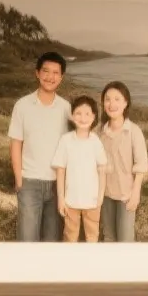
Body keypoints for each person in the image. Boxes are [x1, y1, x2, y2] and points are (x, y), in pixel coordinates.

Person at [7, 52, 72, 242]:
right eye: (45, 71)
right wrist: (19, 179)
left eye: (55, 73)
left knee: (52, 241)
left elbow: (75, 143)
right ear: (37, 73)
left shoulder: (66, 108)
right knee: (27, 239)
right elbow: (16, 143)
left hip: (57, 185)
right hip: (29, 183)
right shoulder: (22, 105)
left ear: (61, 77)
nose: (50, 77)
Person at [96, 81, 148, 243]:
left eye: (117, 99)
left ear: (126, 103)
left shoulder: (134, 131)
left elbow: (141, 165)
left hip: (126, 194)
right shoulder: (99, 131)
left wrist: (135, 193)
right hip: (105, 194)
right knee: (109, 237)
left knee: (125, 239)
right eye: (107, 99)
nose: (112, 104)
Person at [52, 96, 109, 243]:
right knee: (70, 236)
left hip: (92, 201)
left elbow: (102, 170)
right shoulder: (66, 140)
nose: (82, 118)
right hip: (71, 200)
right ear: (72, 116)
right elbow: (60, 170)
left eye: (87, 114)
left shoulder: (95, 141)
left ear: (94, 117)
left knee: (92, 236)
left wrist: (100, 196)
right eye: (78, 113)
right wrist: (61, 199)